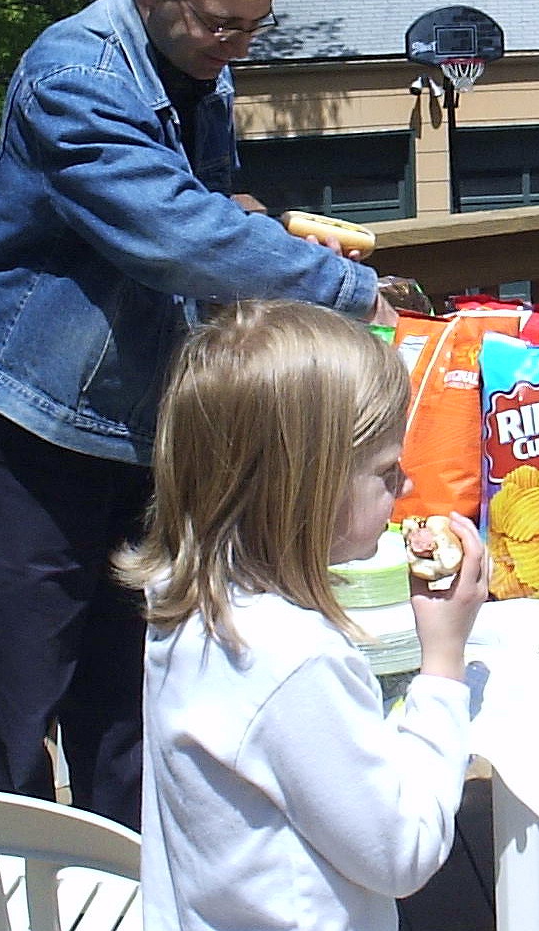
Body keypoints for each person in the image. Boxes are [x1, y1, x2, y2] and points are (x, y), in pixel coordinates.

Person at [0, 0, 396, 827]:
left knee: (129, 699)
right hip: (28, 422)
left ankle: (131, 883)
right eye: (223, 24)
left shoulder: (198, 64)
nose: (238, 47)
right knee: (11, 707)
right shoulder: (74, 74)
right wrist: (344, 290)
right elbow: (165, 232)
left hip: (144, 427)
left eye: (254, 28)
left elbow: (200, 206)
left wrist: (254, 222)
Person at [118, 299, 489, 930]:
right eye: (385, 471)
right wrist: (444, 663)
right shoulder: (294, 658)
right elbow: (404, 853)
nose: (404, 487)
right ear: (307, 487)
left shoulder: (184, 598)